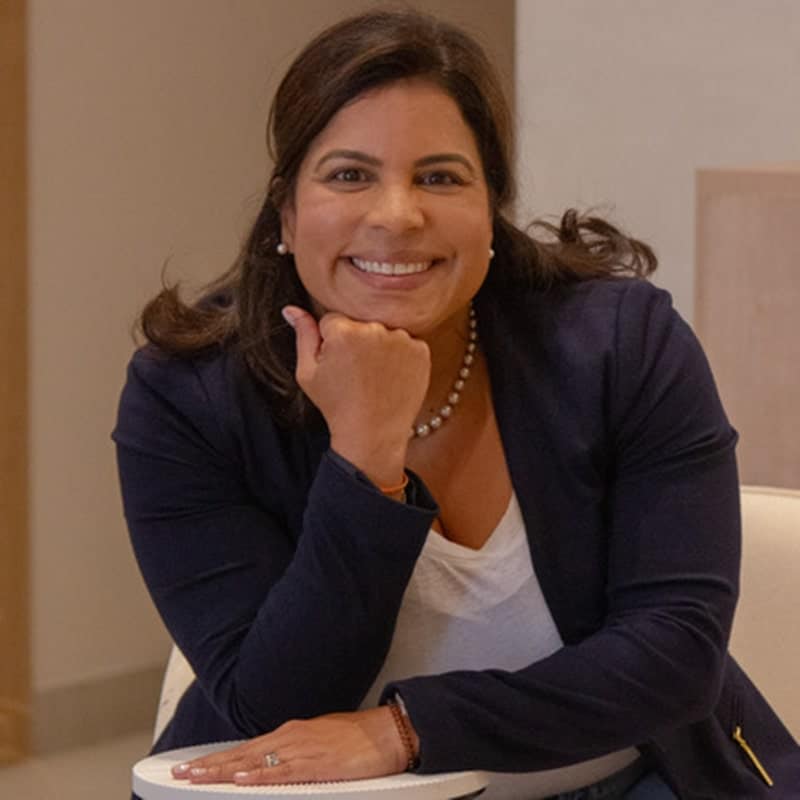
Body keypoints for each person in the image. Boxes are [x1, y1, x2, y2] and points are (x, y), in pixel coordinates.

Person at [113, 9, 800, 799]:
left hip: (632, 778)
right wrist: (365, 458)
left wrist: (407, 730)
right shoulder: (187, 398)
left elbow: (674, 654)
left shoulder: (624, 347)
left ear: (490, 207)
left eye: (440, 177)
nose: (397, 214)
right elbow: (272, 706)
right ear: (287, 214)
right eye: (349, 175)